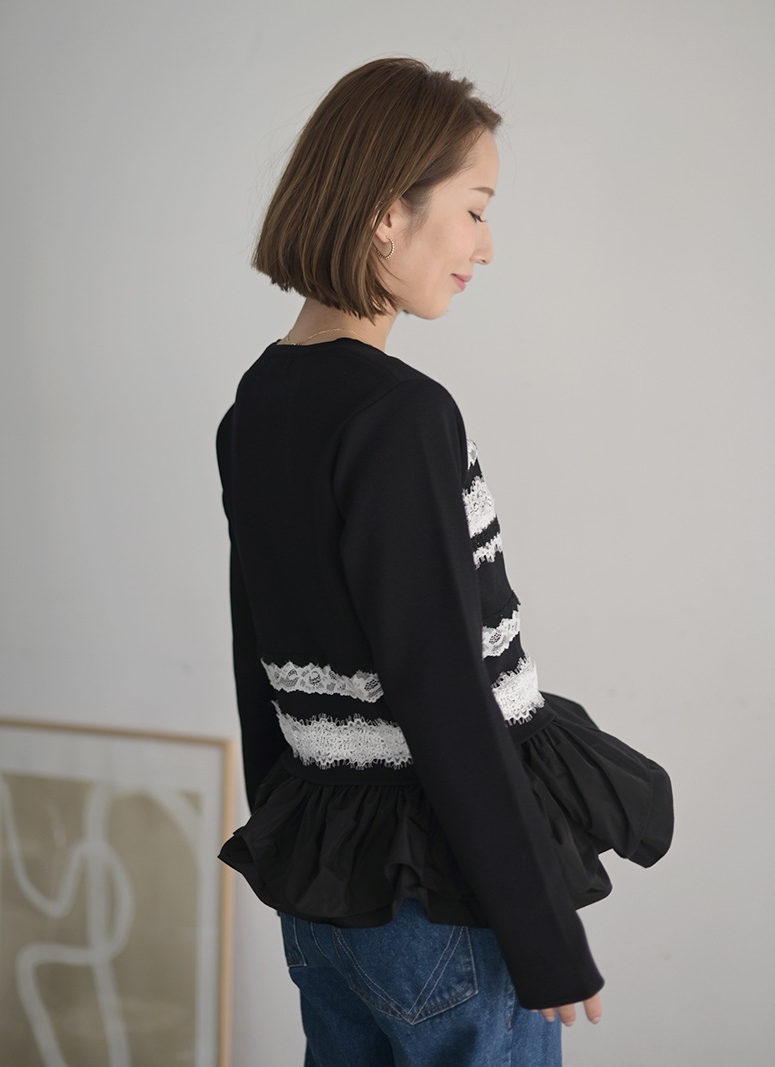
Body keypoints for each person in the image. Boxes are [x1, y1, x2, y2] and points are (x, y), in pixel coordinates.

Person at [216, 57, 672, 1066]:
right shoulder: (400, 414)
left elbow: (260, 661)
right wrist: (544, 936)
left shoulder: (256, 403)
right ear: (389, 212)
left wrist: (288, 848)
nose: (485, 245)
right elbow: (445, 692)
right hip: (439, 902)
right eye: (474, 209)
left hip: (332, 901)